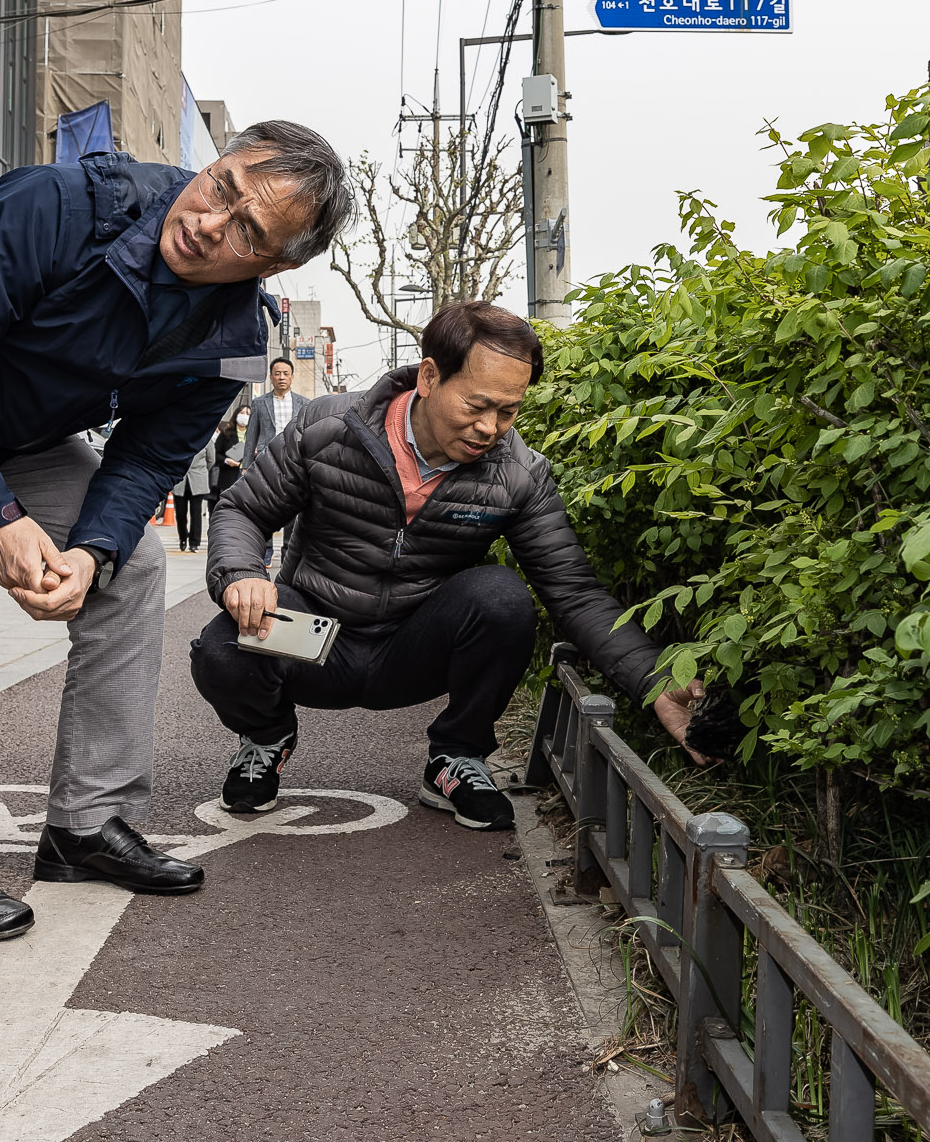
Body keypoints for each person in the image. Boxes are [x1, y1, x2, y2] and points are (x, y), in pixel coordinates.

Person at [0, 123, 354, 942]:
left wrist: (90, 551)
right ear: (215, 161)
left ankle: (88, 823)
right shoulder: (58, 203)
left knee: (138, 565)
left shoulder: (235, 341)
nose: (207, 223)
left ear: (278, 265)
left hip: (9, 426)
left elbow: (149, 455)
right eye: (220, 186)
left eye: (247, 232)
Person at [196, 302, 705, 833]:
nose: (490, 427)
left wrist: (656, 680)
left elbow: (574, 592)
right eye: (477, 405)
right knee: (222, 647)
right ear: (430, 376)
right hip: (316, 642)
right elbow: (243, 509)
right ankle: (267, 735)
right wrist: (242, 573)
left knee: (502, 597)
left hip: (411, 652)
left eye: (508, 411)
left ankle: (455, 759)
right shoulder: (327, 428)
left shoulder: (518, 475)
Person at [243, 356, 300, 558]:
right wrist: (246, 464)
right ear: (271, 377)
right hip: (266, 462)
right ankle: (266, 551)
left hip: (294, 462)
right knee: (265, 506)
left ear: (292, 377)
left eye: (286, 373)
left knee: (293, 507)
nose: (281, 377)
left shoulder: (304, 403)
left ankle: (288, 552)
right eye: (277, 373)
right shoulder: (259, 403)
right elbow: (251, 435)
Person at [173, 442, 211, 553]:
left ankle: (194, 542)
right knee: (180, 513)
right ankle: (183, 538)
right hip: (181, 480)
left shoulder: (207, 440)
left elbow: (211, 460)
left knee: (196, 513)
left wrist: (201, 470)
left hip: (198, 479)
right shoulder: (178, 438)